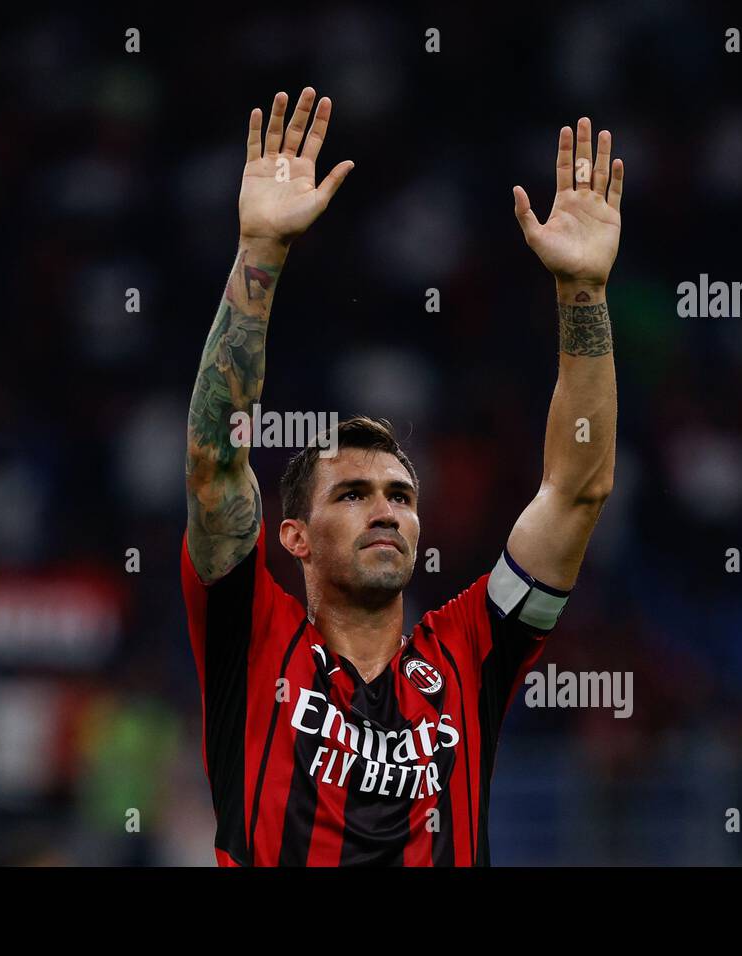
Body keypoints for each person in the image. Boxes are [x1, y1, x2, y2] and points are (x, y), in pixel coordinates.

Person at [181, 87, 623, 866]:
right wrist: (261, 251)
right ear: (295, 537)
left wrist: (582, 292)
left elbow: (576, 491)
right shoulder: (253, 640)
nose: (385, 510)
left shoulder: (468, 651)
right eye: (351, 494)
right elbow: (216, 460)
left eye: (400, 495)